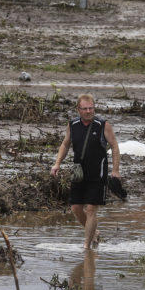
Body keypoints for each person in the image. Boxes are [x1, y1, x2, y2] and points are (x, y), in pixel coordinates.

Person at [50, 94, 120, 249]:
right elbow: (65, 144)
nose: (88, 111)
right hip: (78, 172)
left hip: (98, 173)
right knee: (75, 208)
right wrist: (57, 164)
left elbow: (114, 146)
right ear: (78, 109)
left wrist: (115, 170)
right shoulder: (73, 125)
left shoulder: (103, 125)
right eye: (85, 108)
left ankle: (87, 247)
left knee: (91, 209)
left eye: (91, 108)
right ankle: (94, 233)